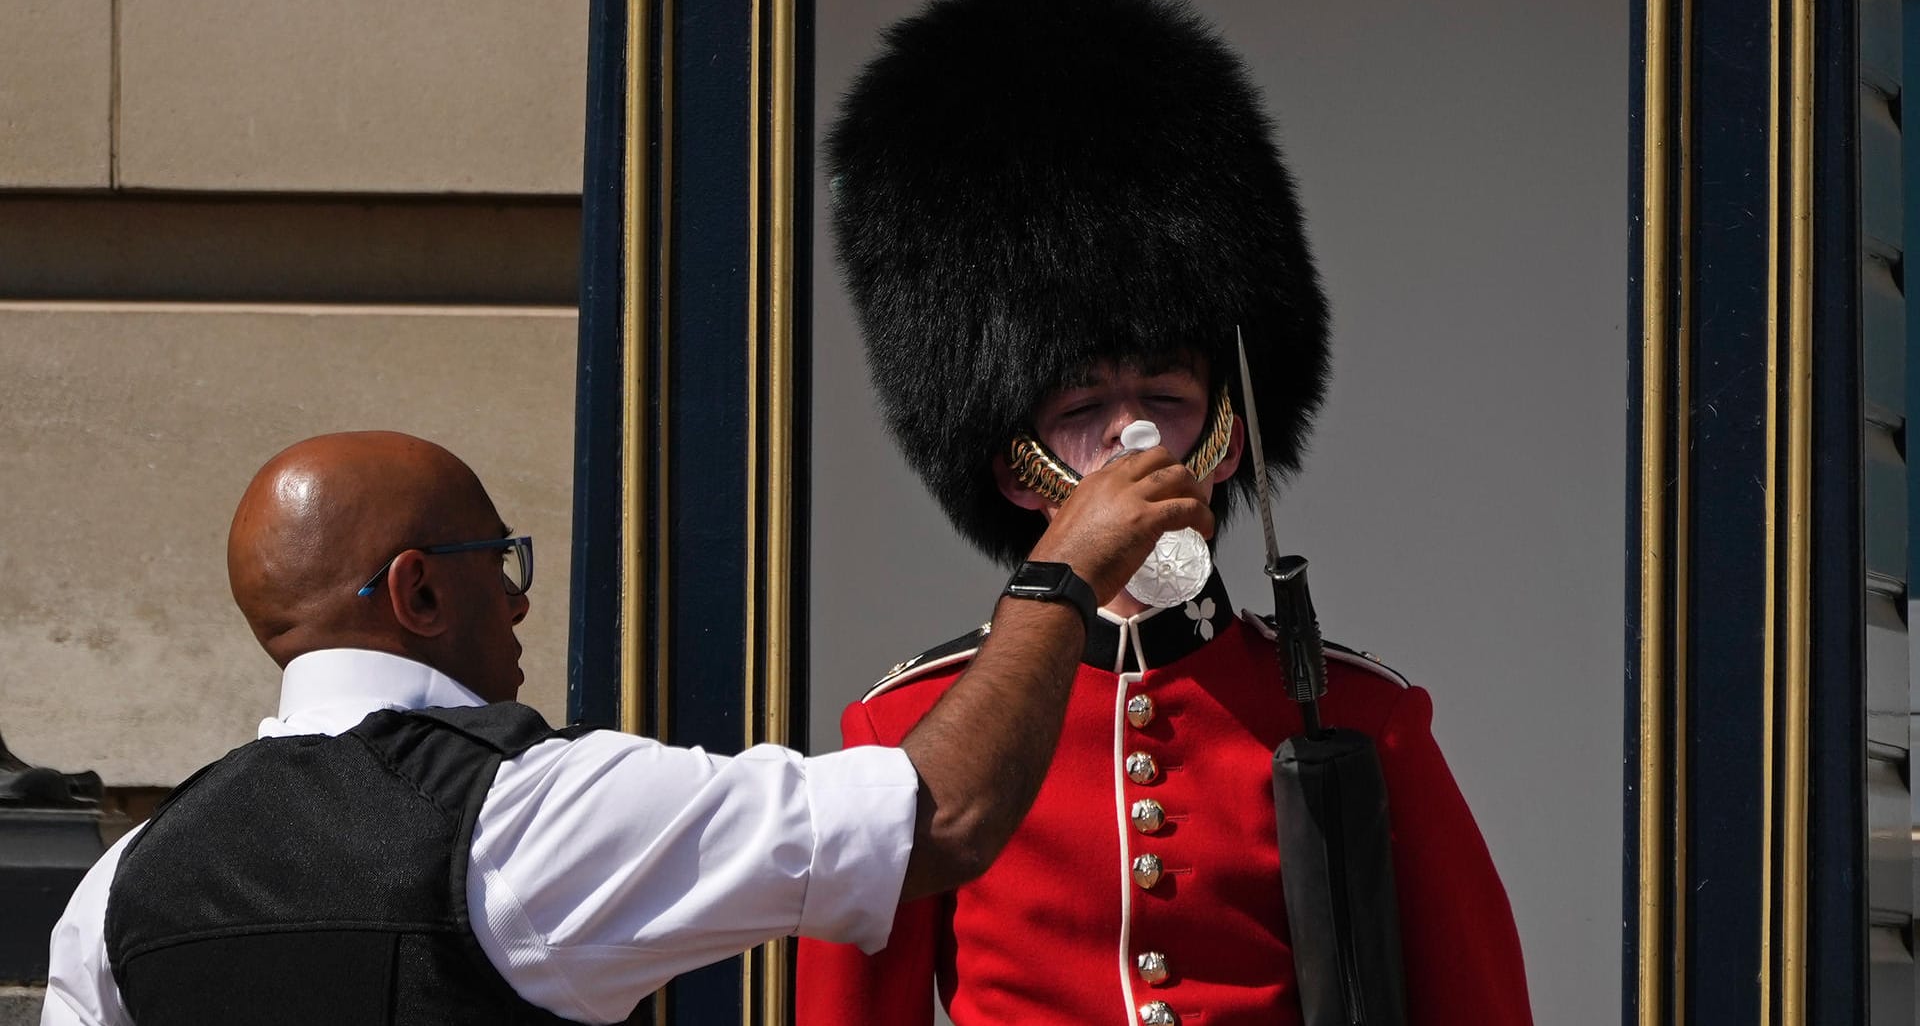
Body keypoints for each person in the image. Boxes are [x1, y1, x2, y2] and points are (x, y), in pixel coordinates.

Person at [796, 0, 1532, 1026]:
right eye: (1083, 404)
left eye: (1166, 396)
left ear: (1227, 439)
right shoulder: (904, 731)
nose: (1132, 435)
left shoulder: (1368, 721)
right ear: (1015, 466)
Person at [41, 428, 1210, 1025]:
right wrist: (1058, 576)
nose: (520, 599)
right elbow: (937, 818)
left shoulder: (124, 882)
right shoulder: (527, 811)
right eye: (497, 562)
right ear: (418, 592)